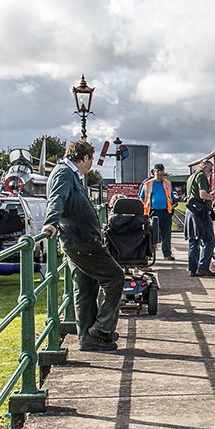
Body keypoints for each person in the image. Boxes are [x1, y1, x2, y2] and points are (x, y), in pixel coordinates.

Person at [42, 140, 123, 352]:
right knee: (115, 277)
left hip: (78, 240)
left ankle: (88, 338)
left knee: (85, 288)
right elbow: (56, 198)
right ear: (84, 158)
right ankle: (102, 329)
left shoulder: (69, 174)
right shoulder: (64, 174)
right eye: (91, 160)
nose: (91, 165)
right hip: (81, 241)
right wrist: (51, 222)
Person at [185, 160, 215, 277]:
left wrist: (210, 194)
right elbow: (202, 195)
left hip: (191, 212)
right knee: (210, 239)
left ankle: (193, 270)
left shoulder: (192, 177)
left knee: (194, 241)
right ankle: (203, 267)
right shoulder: (201, 176)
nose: (211, 173)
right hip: (200, 213)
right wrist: (213, 196)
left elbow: (195, 195)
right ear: (205, 167)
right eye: (210, 170)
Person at [139, 163, 176, 260]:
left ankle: (167, 254)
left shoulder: (167, 183)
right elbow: (141, 198)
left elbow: (171, 196)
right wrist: (145, 208)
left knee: (166, 233)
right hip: (152, 212)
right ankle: (149, 253)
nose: (160, 173)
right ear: (154, 172)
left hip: (166, 211)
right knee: (151, 233)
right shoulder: (147, 184)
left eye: (162, 171)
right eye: (158, 171)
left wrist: (174, 202)